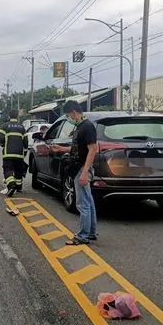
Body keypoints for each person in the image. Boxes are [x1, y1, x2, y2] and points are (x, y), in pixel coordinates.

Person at [51, 101, 98, 245]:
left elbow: (92, 149)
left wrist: (84, 172)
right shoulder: (80, 126)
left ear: (73, 112)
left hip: (81, 169)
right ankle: (90, 232)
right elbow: (78, 149)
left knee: (82, 203)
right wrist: (61, 148)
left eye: (67, 115)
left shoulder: (87, 126)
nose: (68, 118)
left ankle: (82, 236)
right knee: (88, 201)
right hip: (79, 167)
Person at [0, 110, 28, 197]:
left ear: (9, 116)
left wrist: (3, 145)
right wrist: (25, 151)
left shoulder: (5, 126)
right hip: (19, 155)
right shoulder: (22, 127)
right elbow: (26, 141)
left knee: (8, 170)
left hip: (8, 154)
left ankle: (11, 186)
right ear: (17, 116)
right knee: (18, 170)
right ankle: (18, 187)